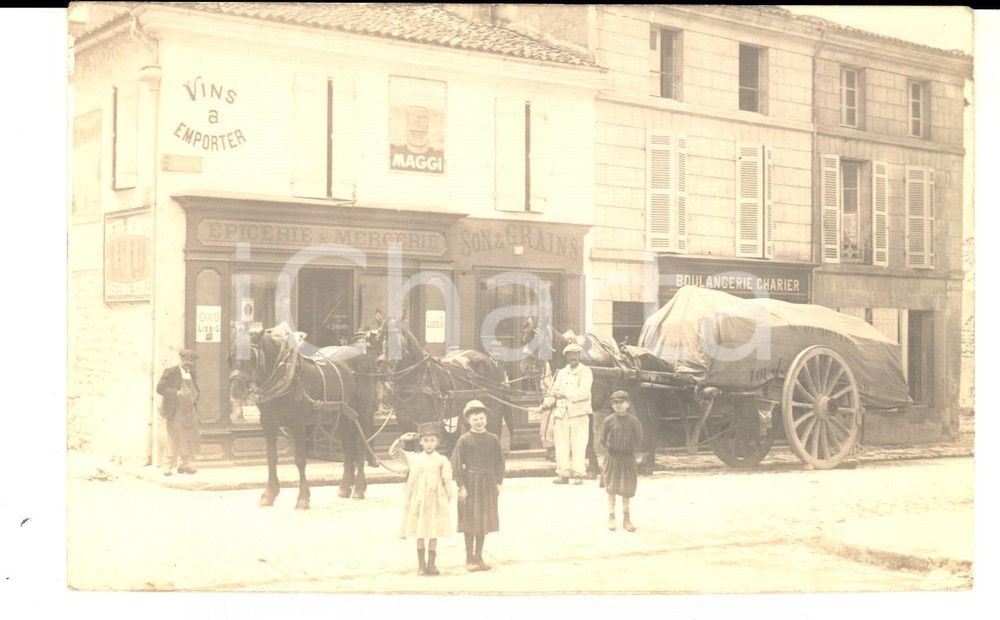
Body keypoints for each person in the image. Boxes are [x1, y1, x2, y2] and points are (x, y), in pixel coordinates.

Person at [389, 422, 453, 576]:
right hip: (419, 499)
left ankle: (432, 564)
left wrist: (446, 499)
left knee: (433, 530)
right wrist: (402, 439)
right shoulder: (414, 458)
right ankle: (421, 565)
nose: (429, 444)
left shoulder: (442, 460)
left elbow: (447, 481)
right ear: (420, 442)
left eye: (432, 440)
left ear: (437, 442)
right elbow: (394, 453)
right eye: (426, 440)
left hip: (435, 499)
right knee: (420, 531)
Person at [451, 400, 505, 572]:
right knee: (469, 520)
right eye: (474, 419)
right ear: (468, 420)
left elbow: (500, 462)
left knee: (483, 520)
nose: (478, 422)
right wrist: (461, 486)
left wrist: (498, 482)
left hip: (488, 482)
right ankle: (469, 558)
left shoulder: (493, 439)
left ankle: (479, 556)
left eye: (481, 418)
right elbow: (457, 463)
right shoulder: (464, 439)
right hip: (471, 482)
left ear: (486, 419)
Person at [541, 342, 593, 485]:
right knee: (561, 444)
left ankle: (578, 474)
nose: (572, 357)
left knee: (579, 444)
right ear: (566, 357)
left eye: (575, 354)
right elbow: (554, 391)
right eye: (569, 355)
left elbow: (584, 392)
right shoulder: (562, 372)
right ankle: (563, 474)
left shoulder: (585, 371)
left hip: (579, 414)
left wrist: (565, 395)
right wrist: (546, 404)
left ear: (579, 355)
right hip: (561, 413)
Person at [600, 390, 644, 532]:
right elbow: (602, 439)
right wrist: (612, 449)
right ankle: (611, 517)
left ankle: (626, 518)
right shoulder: (608, 421)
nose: (618, 405)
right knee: (611, 488)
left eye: (621, 403)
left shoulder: (633, 421)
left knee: (627, 489)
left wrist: (633, 453)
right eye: (614, 403)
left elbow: (639, 438)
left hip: (627, 459)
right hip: (612, 458)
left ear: (628, 404)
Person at [157, 349, 201, 476]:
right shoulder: (171, 372)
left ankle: (184, 465)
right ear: (181, 359)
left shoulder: (191, 373)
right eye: (187, 360)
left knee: (189, 436)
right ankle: (167, 466)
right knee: (173, 437)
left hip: (189, 411)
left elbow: (194, 389)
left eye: (191, 361)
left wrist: (195, 397)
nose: (189, 363)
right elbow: (160, 388)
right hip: (175, 410)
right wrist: (176, 393)